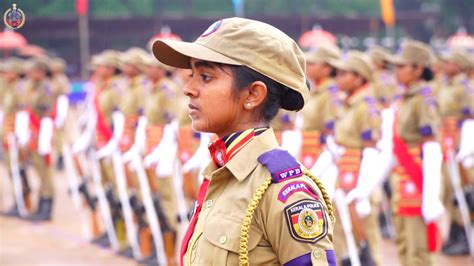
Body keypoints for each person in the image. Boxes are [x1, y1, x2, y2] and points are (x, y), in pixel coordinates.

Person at [152, 17, 335, 265]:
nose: (189, 88)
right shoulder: (220, 172)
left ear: (252, 94)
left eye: (206, 77)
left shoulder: (282, 192)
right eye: (191, 74)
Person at [386, 40, 444, 265]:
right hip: (402, 176)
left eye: (402, 66)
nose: (396, 72)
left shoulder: (423, 99)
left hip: (417, 176)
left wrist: (430, 195)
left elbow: (431, 145)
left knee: (418, 249)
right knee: (403, 243)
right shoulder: (405, 97)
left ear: (418, 69)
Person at [328, 51, 382, 265]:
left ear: (359, 78)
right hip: (345, 171)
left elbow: (371, 149)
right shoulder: (347, 102)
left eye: (344, 74)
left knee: (365, 232)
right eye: (337, 73)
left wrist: (364, 189)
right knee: (340, 229)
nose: (338, 78)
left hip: (360, 174)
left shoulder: (366, 106)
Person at [438, 49, 472, 256]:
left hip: (460, 144)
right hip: (446, 142)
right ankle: (453, 232)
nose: (444, 65)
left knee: (462, 190)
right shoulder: (447, 85)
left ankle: (463, 233)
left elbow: (470, 117)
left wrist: (465, 148)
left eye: (449, 62)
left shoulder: (465, 87)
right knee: (450, 191)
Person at [22, 58, 56, 221]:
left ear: (41, 72)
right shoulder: (32, 88)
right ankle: (40, 203)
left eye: (33, 71)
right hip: (33, 134)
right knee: (38, 169)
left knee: (45, 172)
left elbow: (47, 115)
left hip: (43, 134)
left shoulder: (46, 89)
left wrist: (44, 138)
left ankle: (47, 206)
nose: (30, 74)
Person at [299, 44, 341, 169]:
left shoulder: (331, 92)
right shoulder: (316, 89)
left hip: (323, 151)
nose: (307, 67)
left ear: (327, 68)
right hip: (309, 147)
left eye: (312, 64)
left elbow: (331, 128)